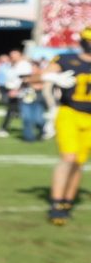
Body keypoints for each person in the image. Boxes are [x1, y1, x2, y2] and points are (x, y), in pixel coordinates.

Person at [48, 25, 91, 224]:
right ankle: (56, 202)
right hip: (70, 112)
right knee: (69, 157)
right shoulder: (66, 59)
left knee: (79, 162)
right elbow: (39, 77)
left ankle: (67, 201)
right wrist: (51, 76)